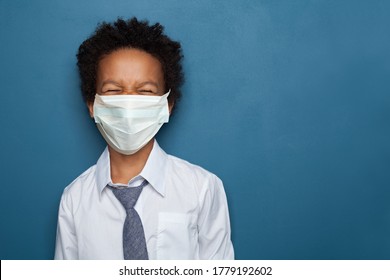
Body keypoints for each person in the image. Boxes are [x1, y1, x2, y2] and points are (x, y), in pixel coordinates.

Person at [54, 17, 234, 260]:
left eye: (145, 91)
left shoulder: (202, 188)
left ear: (167, 105)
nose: (128, 103)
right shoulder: (74, 199)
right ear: (93, 105)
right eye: (113, 91)